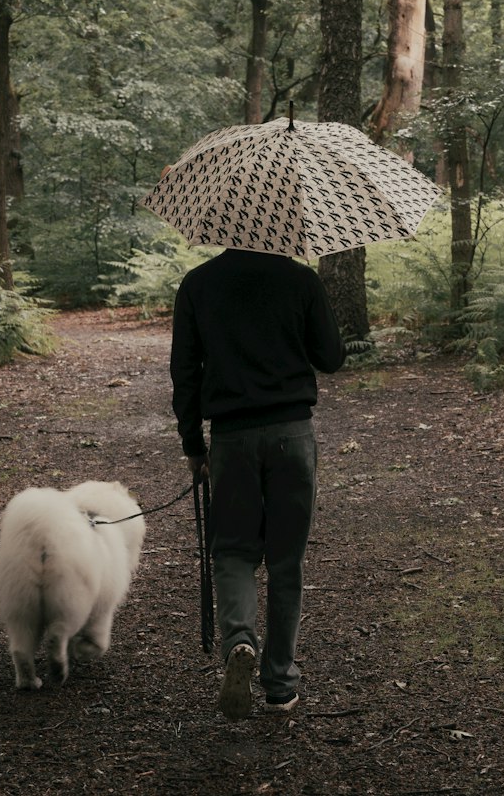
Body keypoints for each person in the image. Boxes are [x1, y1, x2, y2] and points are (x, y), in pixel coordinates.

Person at [170, 247, 346, 720]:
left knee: (232, 551)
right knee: (286, 563)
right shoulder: (300, 279)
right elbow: (331, 357)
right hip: (292, 434)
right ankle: (280, 683)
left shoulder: (198, 284)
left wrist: (192, 444)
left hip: (231, 439)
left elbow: (184, 372)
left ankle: (240, 641)